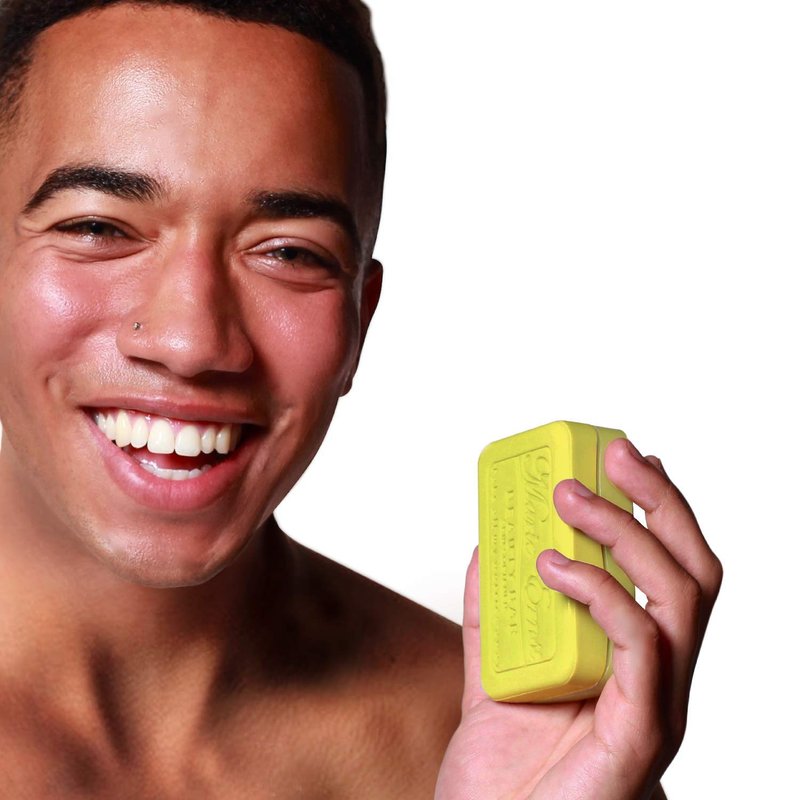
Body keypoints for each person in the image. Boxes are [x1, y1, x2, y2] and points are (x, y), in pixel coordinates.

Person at [0, 1, 722, 797]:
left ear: (359, 319)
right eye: (99, 228)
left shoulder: (498, 741)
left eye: (288, 253)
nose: (192, 341)